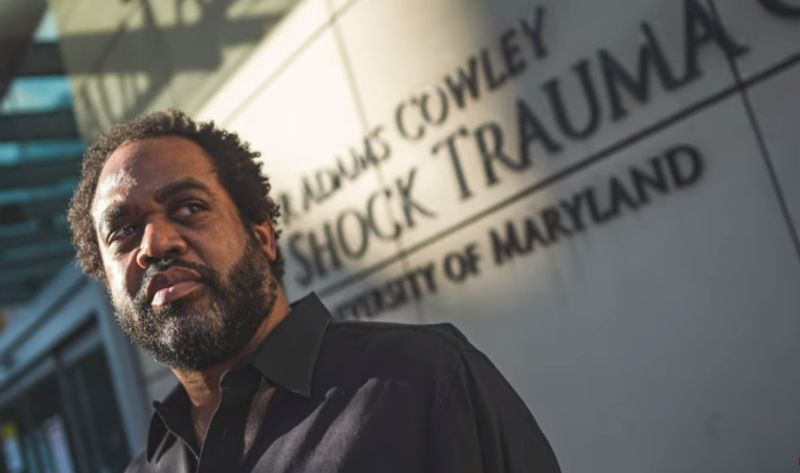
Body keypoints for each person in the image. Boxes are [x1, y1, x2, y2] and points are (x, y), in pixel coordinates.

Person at [67, 109, 561, 472]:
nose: (154, 244)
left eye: (189, 207)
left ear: (262, 236)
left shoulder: (423, 380)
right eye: (123, 232)